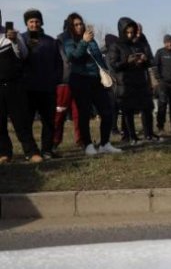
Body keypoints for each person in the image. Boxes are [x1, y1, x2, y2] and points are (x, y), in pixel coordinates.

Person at [61, 12, 120, 155]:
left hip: (96, 79)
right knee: (84, 113)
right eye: (76, 24)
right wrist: (83, 42)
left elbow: (98, 58)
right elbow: (73, 57)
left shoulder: (92, 40)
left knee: (107, 110)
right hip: (80, 79)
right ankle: (87, 145)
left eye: (81, 23)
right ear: (70, 27)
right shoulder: (68, 40)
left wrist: (106, 73)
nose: (79, 26)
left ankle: (105, 143)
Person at [21, 9, 63, 159]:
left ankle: (47, 150)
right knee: (27, 122)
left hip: (47, 88)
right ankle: (31, 151)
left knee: (49, 121)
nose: (34, 24)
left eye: (37, 21)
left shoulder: (51, 41)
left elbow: (59, 63)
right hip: (28, 88)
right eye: (31, 21)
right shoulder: (20, 39)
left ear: (41, 22)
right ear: (26, 23)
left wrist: (56, 79)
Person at [0, 11, 41, 163]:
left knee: (21, 122)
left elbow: (23, 55)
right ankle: (4, 153)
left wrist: (15, 40)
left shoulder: (11, 34)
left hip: (14, 85)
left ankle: (31, 152)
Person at [107, 17, 156, 144]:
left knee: (147, 107)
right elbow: (113, 65)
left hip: (140, 81)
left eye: (131, 32)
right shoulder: (116, 46)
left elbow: (151, 61)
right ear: (122, 32)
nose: (130, 35)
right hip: (125, 82)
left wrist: (144, 60)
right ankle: (131, 136)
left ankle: (149, 134)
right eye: (127, 32)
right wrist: (126, 61)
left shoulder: (138, 44)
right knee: (127, 111)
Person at [53, 17, 81, 150]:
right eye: (74, 25)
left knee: (79, 113)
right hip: (64, 81)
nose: (78, 27)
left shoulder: (81, 40)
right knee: (59, 114)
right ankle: (54, 141)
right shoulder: (59, 41)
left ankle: (81, 140)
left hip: (80, 80)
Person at [153, 34, 171, 133]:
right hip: (163, 84)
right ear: (164, 43)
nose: (169, 44)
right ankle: (160, 126)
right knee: (162, 106)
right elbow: (155, 66)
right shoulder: (160, 52)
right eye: (167, 42)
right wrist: (159, 79)